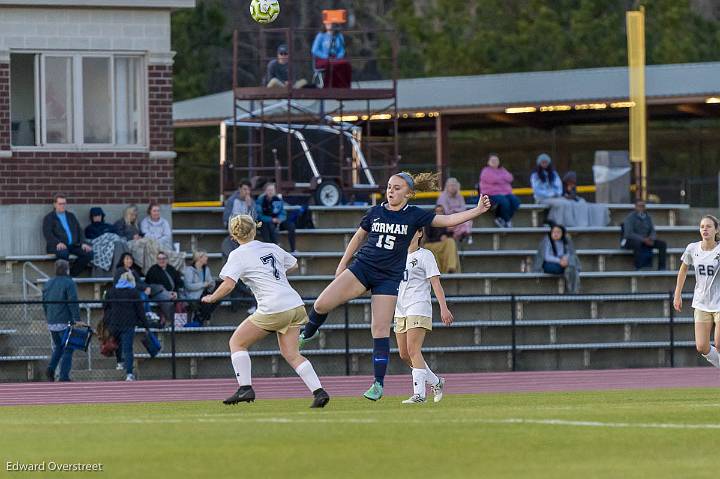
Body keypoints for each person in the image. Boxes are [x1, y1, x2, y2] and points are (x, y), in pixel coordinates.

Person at [298, 172, 491, 401]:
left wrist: (477, 211)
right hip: (363, 268)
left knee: (379, 330)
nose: (391, 191)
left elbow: (447, 220)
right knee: (321, 303)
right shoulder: (376, 212)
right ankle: (309, 332)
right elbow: (358, 238)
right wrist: (342, 263)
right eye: (389, 187)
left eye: (397, 188)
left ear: (409, 193)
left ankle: (377, 385)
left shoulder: (414, 215)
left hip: (388, 278)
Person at [201, 215, 330, 408]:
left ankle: (245, 388)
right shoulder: (271, 247)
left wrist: (211, 298)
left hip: (274, 306)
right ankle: (319, 392)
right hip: (295, 304)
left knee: (237, 342)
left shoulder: (237, 254)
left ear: (233, 236)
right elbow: (293, 264)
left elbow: (228, 284)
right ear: (254, 230)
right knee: (292, 354)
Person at [394, 229, 453, 404]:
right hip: (400, 309)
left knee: (413, 350)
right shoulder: (396, 255)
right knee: (404, 354)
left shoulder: (425, 255)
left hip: (418, 305)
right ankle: (436, 381)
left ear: (419, 233)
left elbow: (435, 282)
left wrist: (444, 308)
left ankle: (419, 394)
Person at [674, 215, 720, 370]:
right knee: (702, 346)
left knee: (719, 343)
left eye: (709, 226)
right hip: (701, 302)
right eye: (702, 227)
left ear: (716, 230)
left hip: (719, 302)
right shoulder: (692, 248)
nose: (705, 229)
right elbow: (683, 269)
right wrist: (677, 294)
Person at [530, 154, 609, 228]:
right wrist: (551, 194)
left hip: (556, 197)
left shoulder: (553, 174)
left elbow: (558, 187)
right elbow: (537, 190)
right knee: (561, 204)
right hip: (542, 199)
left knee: (572, 203)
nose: (544, 164)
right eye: (542, 162)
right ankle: (557, 224)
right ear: (539, 163)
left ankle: (574, 224)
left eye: (546, 162)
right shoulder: (535, 175)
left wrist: (556, 194)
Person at [104, 272, 147, 381]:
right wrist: (146, 324)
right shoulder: (134, 292)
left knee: (117, 344)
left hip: (115, 322)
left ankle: (119, 363)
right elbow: (140, 310)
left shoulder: (111, 291)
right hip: (128, 323)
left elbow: (105, 306)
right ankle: (129, 373)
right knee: (128, 349)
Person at [42, 259, 80, 382]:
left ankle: (51, 368)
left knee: (58, 347)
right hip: (65, 320)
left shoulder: (48, 283)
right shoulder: (69, 283)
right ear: (67, 269)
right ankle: (64, 376)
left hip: (52, 321)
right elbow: (72, 301)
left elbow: (44, 303)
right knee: (68, 348)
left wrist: (48, 317)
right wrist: (77, 319)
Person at [42, 194, 93, 277]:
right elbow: (47, 234)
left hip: (74, 245)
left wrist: (83, 243)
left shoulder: (71, 216)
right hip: (57, 245)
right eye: (60, 204)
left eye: (64, 203)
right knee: (63, 254)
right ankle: (63, 276)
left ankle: (71, 275)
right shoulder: (49, 218)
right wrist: (57, 243)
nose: (63, 206)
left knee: (89, 253)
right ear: (54, 204)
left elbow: (79, 230)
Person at [532, 224, 581, 294]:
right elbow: (546, 256)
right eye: (554, 232)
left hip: (564, 262)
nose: (556, 234)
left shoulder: (566, 240)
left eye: (558, 232)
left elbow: (570, 253)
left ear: (562, 233)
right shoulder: (547, 240)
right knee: (565, 268)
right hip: (549, 263)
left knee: (571, 268)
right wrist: (559, 261)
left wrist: (565, 259)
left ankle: (574, 291)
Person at [622, 199, 667, 270]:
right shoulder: (630, 218)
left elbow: (652, 230)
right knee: (637, 243)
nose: (641, 208)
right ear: (636, 207)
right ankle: (638, 266)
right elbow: (629, 233)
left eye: (643, 206)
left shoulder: (648, 217)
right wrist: (643, 240)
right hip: (632, 240)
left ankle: (662, 267)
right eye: (639, 206)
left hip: (647, 240)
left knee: (662, 244)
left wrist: (651, 238)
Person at [479, 153, 520, 228]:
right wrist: (503, 179)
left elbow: (510, 178)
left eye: (496, 160)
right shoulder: (485, 171)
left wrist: (499, 179)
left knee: (515, 201)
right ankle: (506, 220)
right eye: (492, 160)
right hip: (491, 193)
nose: (494, 161)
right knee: (504, 202)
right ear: (488, 162)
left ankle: (501, 218)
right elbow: (493, 179)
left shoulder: (502, 169)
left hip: (506, 193)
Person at [145, 251, 184, 325]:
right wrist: (168, 293)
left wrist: (175, 292)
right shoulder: (153, 270)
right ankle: (170, 320)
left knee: (183, 299)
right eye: (159, 259)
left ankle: (180, 322)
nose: (161, 260)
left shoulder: (171, 269)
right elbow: (150, 284)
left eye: (163, 258)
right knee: (167, 298)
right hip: (157, 293)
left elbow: (179, 282)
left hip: (173, 292)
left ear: (167, 259)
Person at [256, 182, 297, 252]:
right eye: (269, 190)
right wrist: (272, 219)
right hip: (266, 222)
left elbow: (283, 213)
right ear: (265, 191)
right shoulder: (260, 200)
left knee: (291, 226)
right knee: (268, 225)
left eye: (272, 190)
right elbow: (259, 216)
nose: (271, 192)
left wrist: (280, 219)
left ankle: (293, 249)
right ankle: (274, 246)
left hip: (278, 221)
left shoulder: (278, 199)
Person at [222, 235, 257, 314]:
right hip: (232, 271)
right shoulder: (227, 242)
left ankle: (252, 303)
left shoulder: (245, 242)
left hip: (243, 271)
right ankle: (247, 299)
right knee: (236, 285)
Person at [85, 207, 127, 273]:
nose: (97, 217)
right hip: (101, 245)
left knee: (120, 244)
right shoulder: (89, 228)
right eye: (95, 216)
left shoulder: (108, 226)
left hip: (114, 243)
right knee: (117, 246)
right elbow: (94, 240)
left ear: (102, 216)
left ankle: (121, 271)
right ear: (92, 217)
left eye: (99, 215)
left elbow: (116, 235)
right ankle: (117, 272)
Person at [311, 21, 351, 88]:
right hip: (323, 58)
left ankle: (345, 86)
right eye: (327, 24)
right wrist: (325, 56)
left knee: (346, 64)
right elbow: (314, 50)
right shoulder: (321, 35)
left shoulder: (339, 36)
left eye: (331, 24)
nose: (330, 26)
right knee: (332, 64)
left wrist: (339, 56)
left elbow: (342, 49)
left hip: (336, 58)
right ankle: (329, 86)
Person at [184, 250, 218, 325]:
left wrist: (211, 284)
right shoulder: (189, 270)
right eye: (205, 256)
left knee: (220, 291)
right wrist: (203, 285)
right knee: (207, 301)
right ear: (199, 258)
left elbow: (210, 281)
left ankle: (201, 317)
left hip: (205, 291)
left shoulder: (206, 269)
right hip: (194, 295)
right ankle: (204, 318)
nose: (207, 258)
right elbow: (188, 286)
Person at [423, 205, 460, 274]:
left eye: (441, 211)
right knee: (449, 242)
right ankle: (450, 267)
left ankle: (451, 267)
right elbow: (428, 237)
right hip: (431, 244)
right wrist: (440, 238)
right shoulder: (429, 223)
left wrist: (449, 233)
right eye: (437, 211)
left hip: (441, 244)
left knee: (450, 241)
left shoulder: (446, 222)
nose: (439, 213)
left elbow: (448, 234)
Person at [436, 178, 472, 242]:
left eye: (454, 185)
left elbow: (463, 209)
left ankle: (462, 237)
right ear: (447, 187)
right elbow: (445, 211)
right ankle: (458, 238)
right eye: (451, 185)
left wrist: (454, 210)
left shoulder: (459, 196)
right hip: (446, 219)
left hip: (458, 218)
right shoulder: (443, 196)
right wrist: (457, 210)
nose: (453, 187)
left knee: (468, 220)